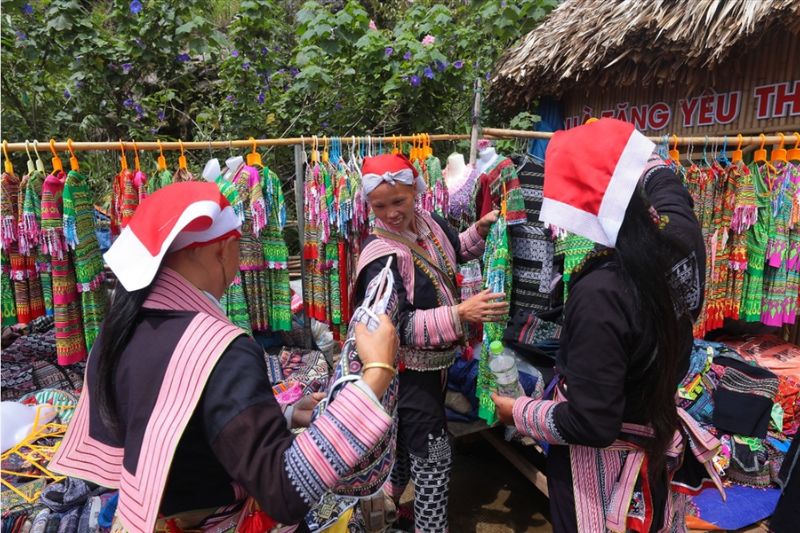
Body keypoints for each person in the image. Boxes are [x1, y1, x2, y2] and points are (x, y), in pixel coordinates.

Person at [49, 182, 399, 532]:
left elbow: (174, 420)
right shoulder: (220, 349)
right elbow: (282, 490)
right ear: (222, 250)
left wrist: (285, 412)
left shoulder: (118, 331)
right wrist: (376, 375)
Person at [493, 119, 723, 532]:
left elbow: (592, 424)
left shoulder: (603, 293)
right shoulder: (680, 236)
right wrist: (620, 149)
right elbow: (668, 183)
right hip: (657, 435)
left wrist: (518, 412)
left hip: (607, 474)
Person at [354, 153, 507, 532]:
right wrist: (459, 314)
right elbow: (391, 328)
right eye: (380, 206)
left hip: (436, 368)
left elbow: (453, 252)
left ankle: (391, 506)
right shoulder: (382, 258)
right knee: (434, 456)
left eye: (399, 201)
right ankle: (429, 526)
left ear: (416, 191)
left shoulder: (431, 224)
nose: (391, 213)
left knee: (408, 443)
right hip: (408, 375)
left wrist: (481, 232)